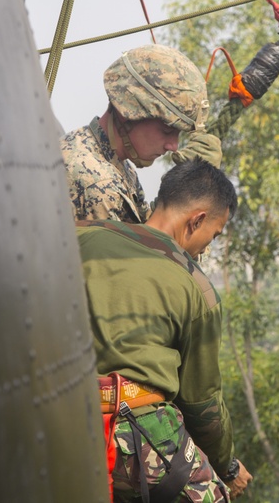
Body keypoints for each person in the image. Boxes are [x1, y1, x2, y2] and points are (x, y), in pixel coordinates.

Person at [77, 159, 253, 502]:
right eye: (213, 235)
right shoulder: (196, 287)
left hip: (56, 416)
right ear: (197, 220)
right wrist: (227, 467)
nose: (207, 247)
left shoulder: (80, 236)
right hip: (136, 434)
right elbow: (202, 405)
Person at [60, 44, 223, 223]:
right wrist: (196, 196)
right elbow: (148, 250)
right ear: (129, 112)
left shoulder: (116, 164)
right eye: (167, 131)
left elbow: (146, 228)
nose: (173, 146)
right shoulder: (99, 183)